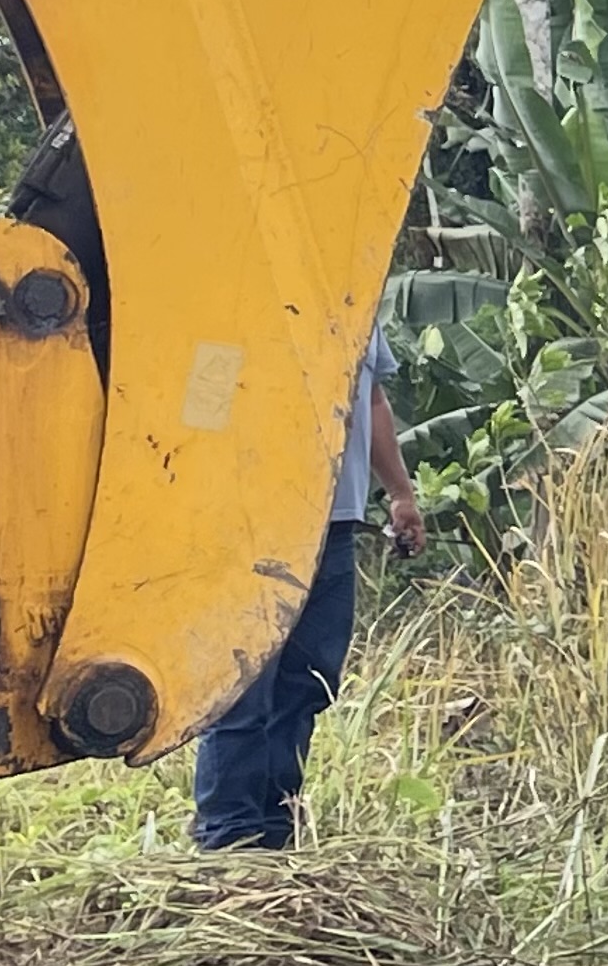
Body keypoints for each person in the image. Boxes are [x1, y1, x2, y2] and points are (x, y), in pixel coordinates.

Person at [188, 321, 425, 849]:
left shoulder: (356, 302)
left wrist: (400, 494)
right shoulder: (234, 303)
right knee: (243, 687)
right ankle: (228, 838)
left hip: (333, 527)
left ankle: (277, 832)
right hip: (251, 526)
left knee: (306, 684)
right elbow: (203, 407)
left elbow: (373, 400)